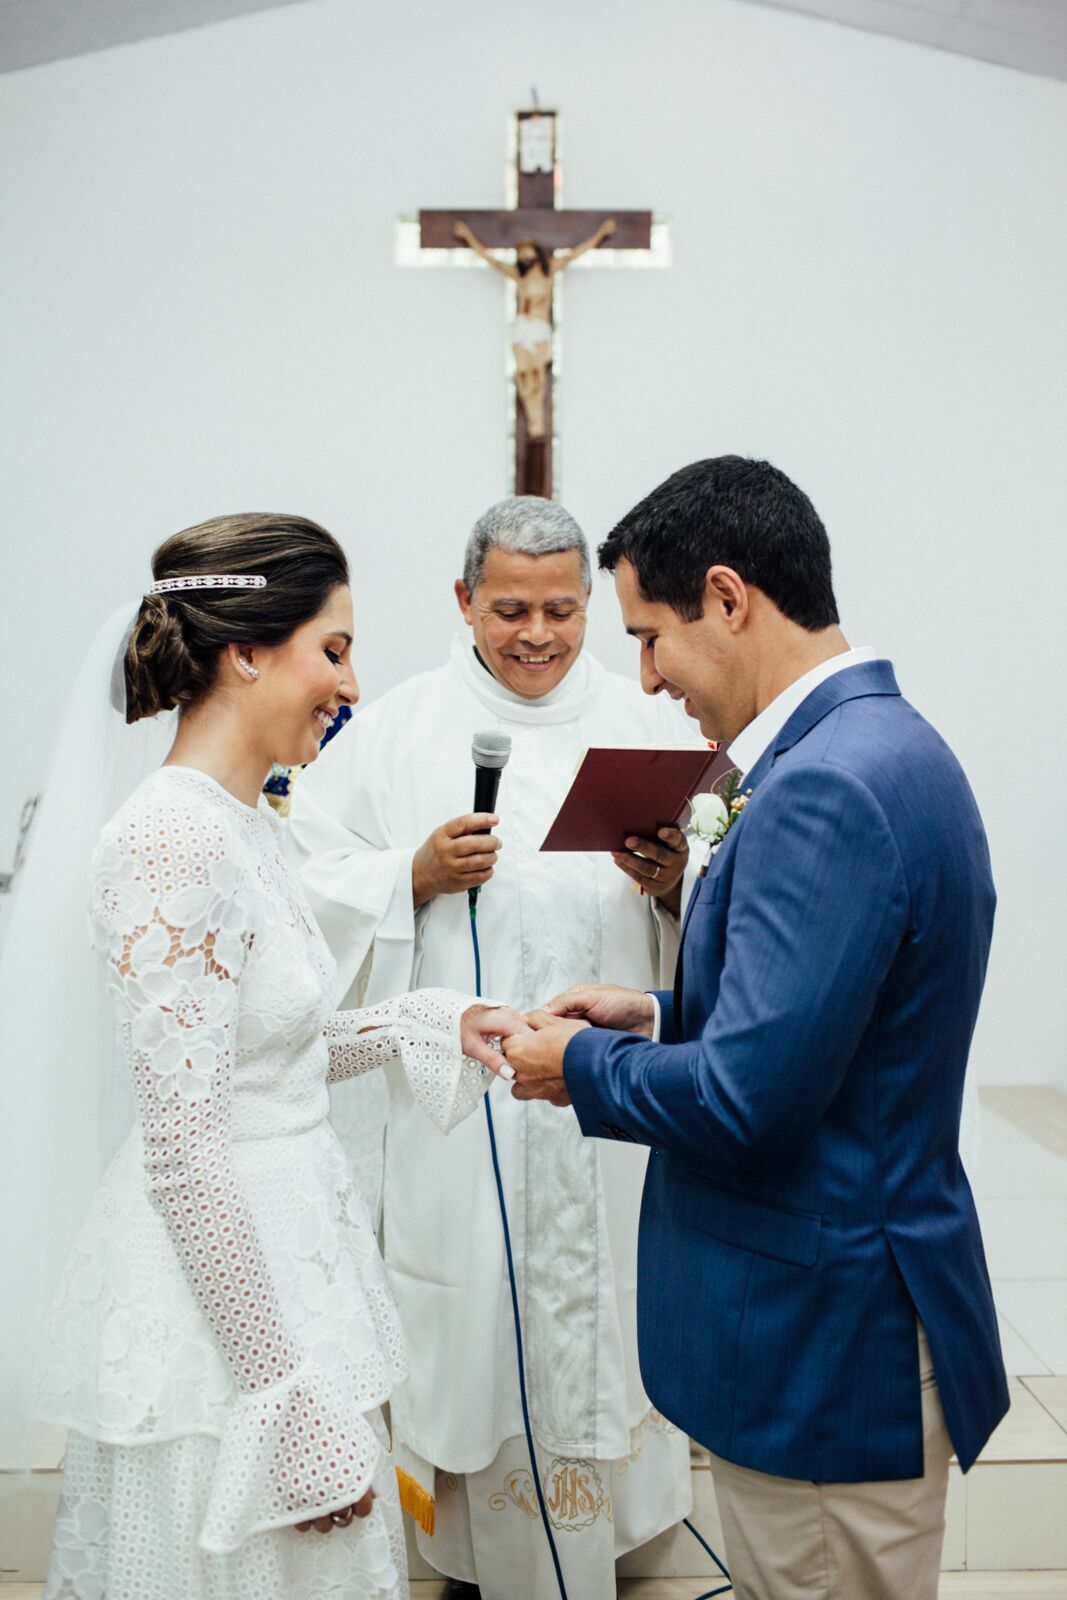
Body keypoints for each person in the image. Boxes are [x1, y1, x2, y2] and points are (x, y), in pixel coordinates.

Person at [501, 457, 1010, 1600]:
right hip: (842, 1315)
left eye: (648, 635)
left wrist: (578, 1062)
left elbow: (748, 1100)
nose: (643, 676)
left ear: (727, 598)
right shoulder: (880, 742)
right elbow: (842, 1024)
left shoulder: (823, 785)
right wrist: (660, 1008)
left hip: (823, 1345)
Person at [0, 513, 529, 1600]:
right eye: (331, 648)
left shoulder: (242, 822)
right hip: (225, 1313)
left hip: (290, 1249)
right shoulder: (172, 837)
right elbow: (185, 1147)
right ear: (246, 651)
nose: (349, 682)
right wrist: (278, 1398)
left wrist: (420, 1022)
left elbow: (263, 1057)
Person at [288, 496, 695, 1600]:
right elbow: (297, 883)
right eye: (508, 607)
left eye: (562, 609)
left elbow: (721, 910)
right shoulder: (396, 728)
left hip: (604, 1107)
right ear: (463, 600)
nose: (536, 634)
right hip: (460, 1112)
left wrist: (671, 888)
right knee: (465, 1310)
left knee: (605, 1310)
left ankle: (608, 1546)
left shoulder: (649, 725)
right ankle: (475, 1558)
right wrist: (406, 876)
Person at [452, 219, 616, 438]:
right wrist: (467, 237)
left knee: (537, 375)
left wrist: (601, 233)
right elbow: (490, 260)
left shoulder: (550, 272)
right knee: (523, 375)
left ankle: (537, 420)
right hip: (522, 328)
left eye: (527, 254)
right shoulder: (519, 276)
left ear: (537, 254)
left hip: (539, 328)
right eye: (521, 255)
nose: (524, 258)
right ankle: (531, 417)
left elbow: (578, 252)